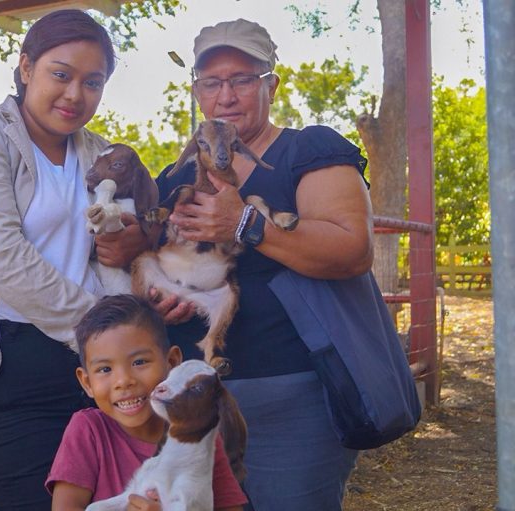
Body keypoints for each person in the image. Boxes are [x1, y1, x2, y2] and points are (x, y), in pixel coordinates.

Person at [95, 18, 373, 511]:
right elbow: (150, 256)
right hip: (192, 401)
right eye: (211, 82)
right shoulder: (176, 175)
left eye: (242, 79)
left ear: (272, 85)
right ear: (197, 91)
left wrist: (245, 222)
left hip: (292, 393)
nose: (226, 95)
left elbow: (353, 251)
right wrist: (156, 294)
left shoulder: (307, 151)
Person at [0, 10, 119, 510]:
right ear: (27, 67)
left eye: (92, 82)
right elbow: (0, 254)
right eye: (61, 74)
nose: (75, 94)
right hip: (7, 365)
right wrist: (104, 327)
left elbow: (117, 250)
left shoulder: (102, 154)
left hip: (95, 365)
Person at [47, 294, 247, 511]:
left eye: (139, 362)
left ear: (172, 363)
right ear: (87, 383)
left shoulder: (201, 435)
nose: (123, 381)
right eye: (105, 369)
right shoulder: (89, 430)